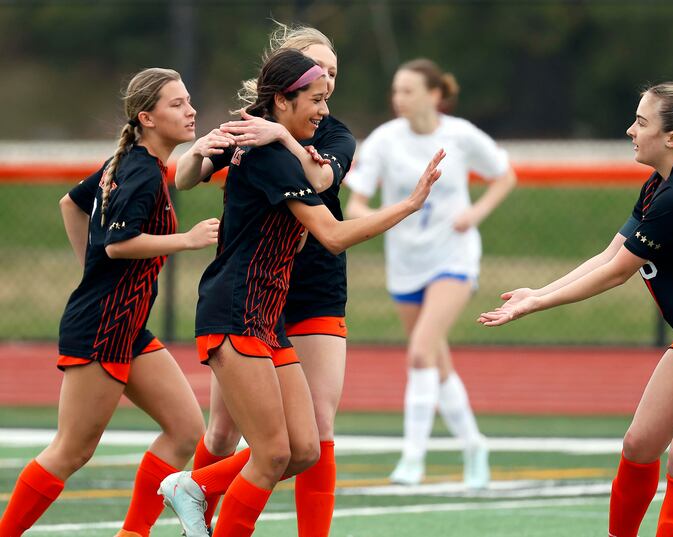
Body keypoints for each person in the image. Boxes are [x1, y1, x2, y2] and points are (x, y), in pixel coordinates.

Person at [478, 82, 673, 537]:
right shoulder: (664, 183)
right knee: (640, 445)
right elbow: (609, 255)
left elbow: (616, 274)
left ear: (672, 138)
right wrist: (538, 291)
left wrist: (537, 305)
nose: (630, 130)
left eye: (641, 122)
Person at [159, 48, 444, 537]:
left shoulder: (295, 141)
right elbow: (331, 234)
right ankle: (193, 496)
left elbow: (323, 178)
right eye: (316, 96)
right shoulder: (266, 152)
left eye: (329, 91)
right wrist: (410, 204)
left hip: (265, 317)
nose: (325, 108)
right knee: (270, 453)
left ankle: (196, 487)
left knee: (305, 448)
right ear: (282, 100)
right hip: (235, 311)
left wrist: (288, 140)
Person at [0, 68, 219, 537]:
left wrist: (91, 272)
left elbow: (70, 204)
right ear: (148, 117)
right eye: (177, 103)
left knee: (185, 430)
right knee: (73, 450)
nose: (190, 109)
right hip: (101, 327)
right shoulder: (139, 172)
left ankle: (132, 534)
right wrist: (187, 240)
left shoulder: (139, 163)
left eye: (188, 100)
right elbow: (118, 246)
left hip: (127, 327)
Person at [162, 23, 355, 537]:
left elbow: (322, 179)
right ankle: (184, 508)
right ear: (286, 81)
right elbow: (183, 176)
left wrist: (285, 136)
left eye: (332, 73)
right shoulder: (254, 126)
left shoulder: (331, 131)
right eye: (316, 71)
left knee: (313, 430)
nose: (326, 82)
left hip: (311, 284)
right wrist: (203, 147)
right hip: (252, 290)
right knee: (224, 431)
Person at [345, 58, 516, 489]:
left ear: (434, 94)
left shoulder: (459, 134)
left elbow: (504, 174)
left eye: (408, 90)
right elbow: (357, 204)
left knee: (421, 352)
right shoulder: (385, 140)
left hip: (452, 257)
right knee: (435, 363)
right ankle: (475, 445)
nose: (398, 98)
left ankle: (412, 458)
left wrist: (474, 213)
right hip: (405, 262)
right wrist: (380, 215)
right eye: (395, 90)